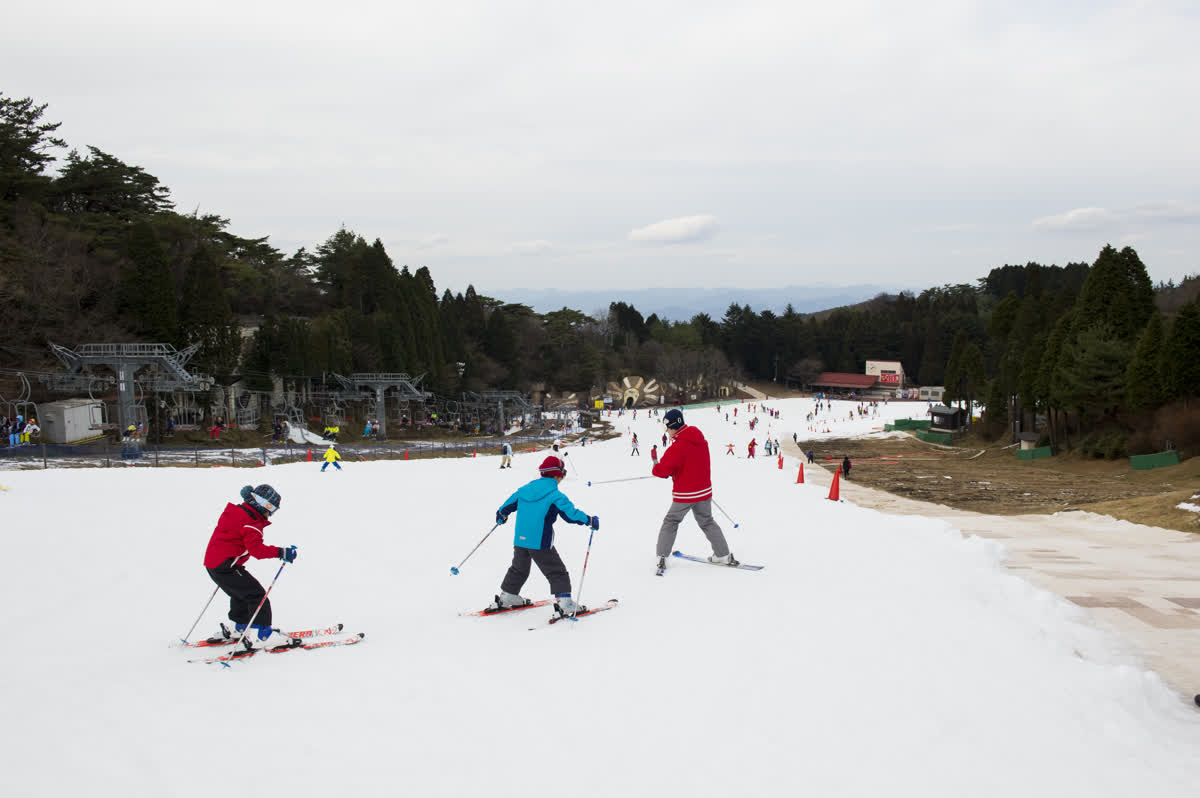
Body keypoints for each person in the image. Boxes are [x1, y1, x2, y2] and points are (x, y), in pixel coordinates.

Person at [489, 456, 599, 619]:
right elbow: (571, 515)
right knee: (556, 571)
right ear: (557, 474)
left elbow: (506, 506)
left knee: (519, 568)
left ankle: (508, 596)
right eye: (563, 474)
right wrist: (589, 520)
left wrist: (501, 515)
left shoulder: (524, 489)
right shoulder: (555, 495)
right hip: (540, 541)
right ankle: (565, 603)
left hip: (520, 539)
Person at [202, 484, 298, 650]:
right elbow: (257, 551)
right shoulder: (251, 523)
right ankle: (262, 635)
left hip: (215, 565)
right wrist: (281, 552)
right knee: (257, 595)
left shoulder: (237, 512)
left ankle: (239, 627)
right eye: (271, 509)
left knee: (240, 594)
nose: (271, 514)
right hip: (226, 566)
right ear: (262, 505)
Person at [651, 409, 735, 572]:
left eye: (667, 427)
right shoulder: (700, 440)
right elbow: (691, 463)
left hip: (685, 494)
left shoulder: (678, 446)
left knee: (671, 521)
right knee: (707, 521)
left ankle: (661, 557)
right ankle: (723, 555)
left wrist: (655, 460)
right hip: (704, 491)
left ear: (673, 426)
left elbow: (661, 471)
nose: (666, 431)